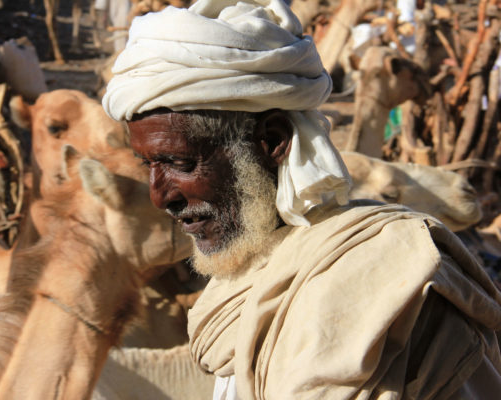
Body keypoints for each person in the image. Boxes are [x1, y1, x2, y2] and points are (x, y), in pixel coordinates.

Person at [102, 0, 501, 398]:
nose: (159, 196)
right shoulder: (241, 279)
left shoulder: (391, 283)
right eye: (148, 165)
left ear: (272, 141)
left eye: (180, 163)